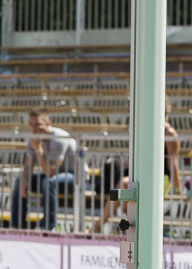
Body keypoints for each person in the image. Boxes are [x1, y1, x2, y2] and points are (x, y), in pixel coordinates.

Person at [93, 100, 181, 234]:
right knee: (125, 196)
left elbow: (172, 162)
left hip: (161, 178)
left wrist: (179, 189)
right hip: (144, 176)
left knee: (124, 184)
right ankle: (122, 229)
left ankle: (101, 223)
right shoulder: (145, 130)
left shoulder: (169, 133)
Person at [10, 109, 78, 231]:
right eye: (31, 125)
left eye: (37, 124)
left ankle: (47, 226)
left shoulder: (59, 139)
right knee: (20, 181)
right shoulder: (33, 139)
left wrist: (39, 150)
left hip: (75, 177)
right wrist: (25, 179)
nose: (34, 129)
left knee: (48, 182)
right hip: (54, 175)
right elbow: (28, 166)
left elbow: (50, 172)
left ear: (48, 124)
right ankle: (16, 226)